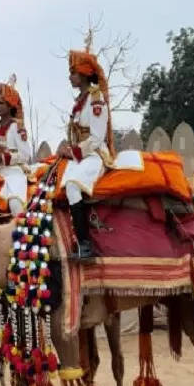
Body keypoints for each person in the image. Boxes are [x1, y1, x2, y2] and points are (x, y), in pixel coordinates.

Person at [58, 45, 113, 261]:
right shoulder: (79, 102)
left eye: (73, 72)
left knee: (72, 186)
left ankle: (85, 245)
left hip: (95, 155)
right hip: (79, 155)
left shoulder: (96, 99)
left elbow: (97, 138)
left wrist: (72, 152)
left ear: (84, 74)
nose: (70, 77)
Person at [0, 75, 34, 215]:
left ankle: (24, 232)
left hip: (14, 175)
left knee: (15, 205)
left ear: (10, 106)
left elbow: (26, 155)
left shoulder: (17, 127)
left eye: (2, 103)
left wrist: (3, 158)